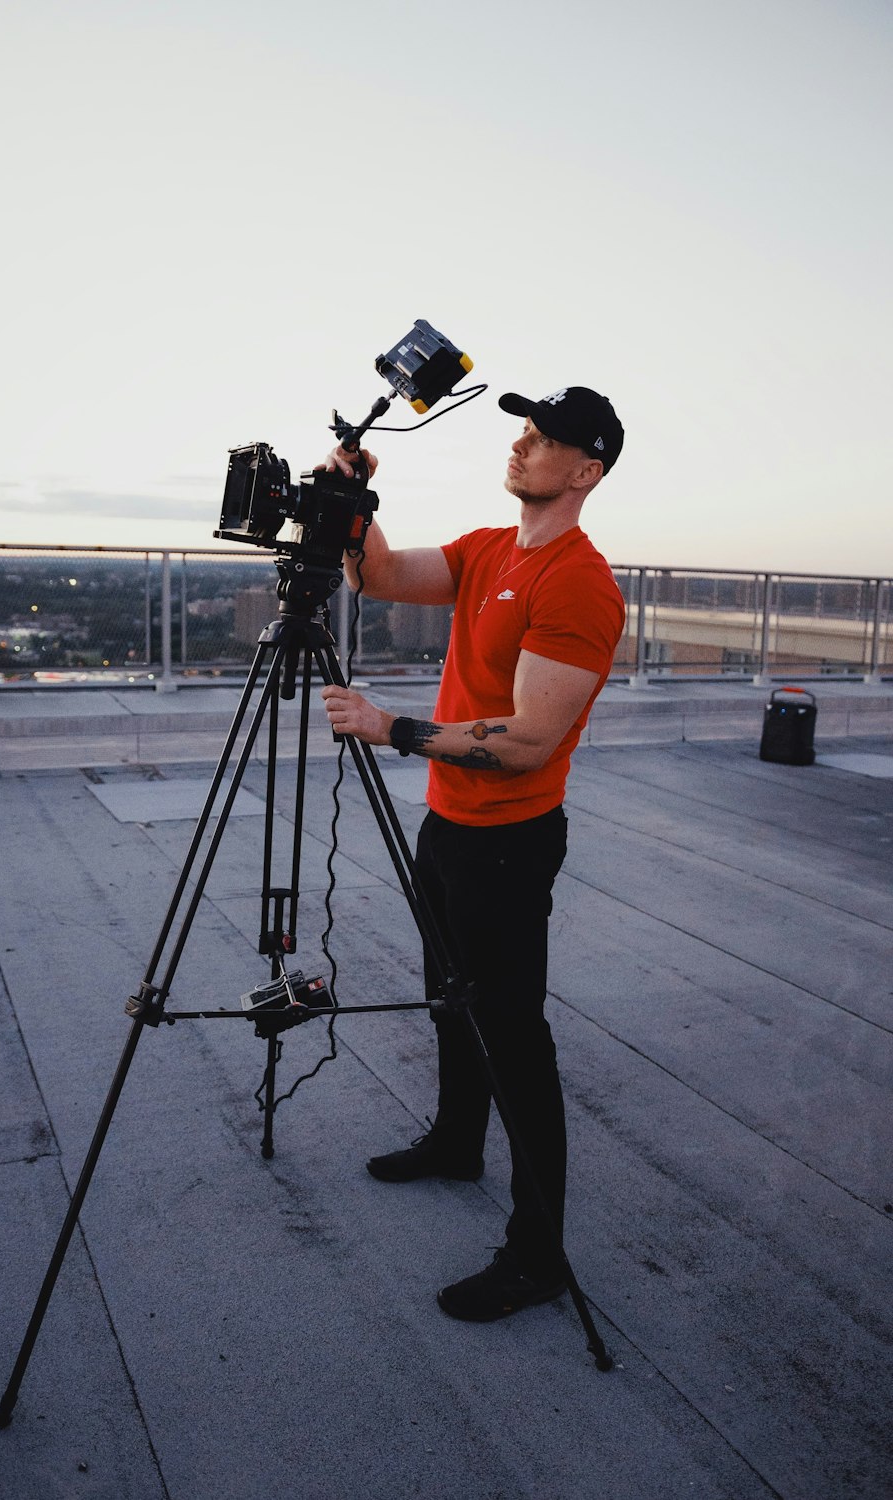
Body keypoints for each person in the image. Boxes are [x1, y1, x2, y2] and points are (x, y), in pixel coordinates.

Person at [320, 385, 626, 1322]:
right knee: (451, 1005)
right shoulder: (490, 548)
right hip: (449, 825)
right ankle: (457, 1144)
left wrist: (394, 727)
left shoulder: (576, 581)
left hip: (509, 841)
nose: (524, 444)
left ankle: (538, 1254)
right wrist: (355, 502)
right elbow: (376, 577)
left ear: (586, 471)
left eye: (547, 439)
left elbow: (530, 739)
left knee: (515, 1042)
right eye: (524, 430)